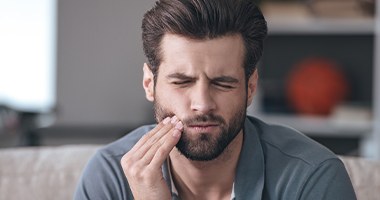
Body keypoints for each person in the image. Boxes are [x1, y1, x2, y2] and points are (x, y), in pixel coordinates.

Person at [74, 0, 357, 199]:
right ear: (150, 84)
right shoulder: (110, 175)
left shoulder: (311, 177)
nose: (202, 103)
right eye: (182, 82)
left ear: (250, 87)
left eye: (222, 83)